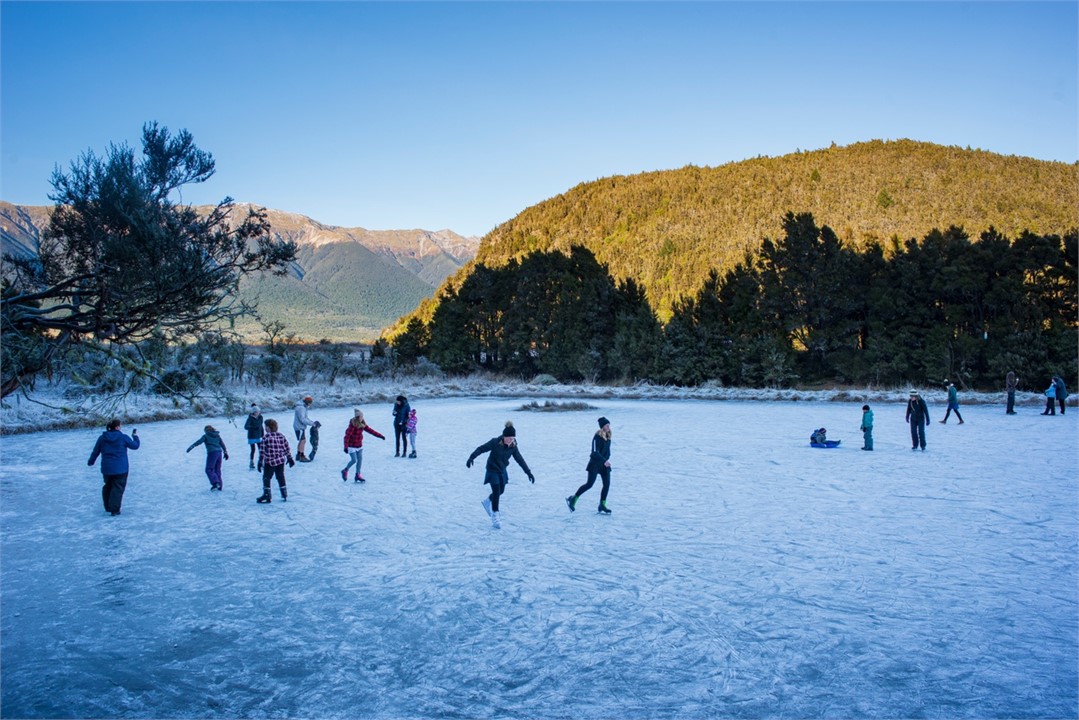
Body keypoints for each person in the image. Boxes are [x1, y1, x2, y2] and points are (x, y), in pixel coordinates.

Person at [466, 421, 535, 529]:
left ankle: (488, 501)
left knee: (501, 491)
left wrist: (528, 472)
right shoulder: (495, 442)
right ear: (503, 437)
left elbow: (520, 459)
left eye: (512, 438)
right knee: (497, 491)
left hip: (502, 470)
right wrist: (471, 457)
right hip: (492, 469)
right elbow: (481, 448)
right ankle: (495, 515)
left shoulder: (513, 446)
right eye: (508, 438)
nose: (510, 440)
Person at [87, 419, 140, 516]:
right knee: (118, 488)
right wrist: (135, 436)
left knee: (108, 486)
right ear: (117, 427)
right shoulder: (123, 437)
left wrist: (91, 461)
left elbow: (96, 451)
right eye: (120, 425)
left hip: (107, 469)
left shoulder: (102, 438)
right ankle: (114, 509)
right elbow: (135, 446)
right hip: (121, 469)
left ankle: (108, 506)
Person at [566, 416, 613, 514]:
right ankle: (573, 499)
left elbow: (607, 451)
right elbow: (594, 452)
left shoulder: (608, 437)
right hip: (595, 463)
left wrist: (606, 459)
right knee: (589, 484)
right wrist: (604, 460)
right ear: (602, 427)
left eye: (609, 425)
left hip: (604, 464)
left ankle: (602, 504)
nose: (608, 427)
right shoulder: (597, 437)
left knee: (607, 483)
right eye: (606, 425)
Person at [341, 409, 385, 483]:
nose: (362, 418)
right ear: (357, 417)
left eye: (362, 416)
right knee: (354, 460)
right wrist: (345, 447)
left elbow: (370, 430)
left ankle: (357, 475)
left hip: (359, 445)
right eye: (361, 416)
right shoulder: (352, 424)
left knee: (360, 460)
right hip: (351, 445)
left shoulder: (362, 423)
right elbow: (347, 436)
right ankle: (345, 470)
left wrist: (380, 436)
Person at [258, 418, 294, 503]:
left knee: (267, 477)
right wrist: (289, 457)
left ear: (268, 428)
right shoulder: (281, 436)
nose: (265, 428)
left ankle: (267, 494)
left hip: (270, 462)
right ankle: (284, 493)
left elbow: (262, 451)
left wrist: (260, 462)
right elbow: (286, 448)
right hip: (280, 461)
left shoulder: (265, 437)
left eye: (265, 426)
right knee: (280, 476)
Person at [186, 425, 229, 491]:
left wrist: (191, 446)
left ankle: (215, 483)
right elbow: (222, 444)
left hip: (212, 453)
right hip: (219, 452)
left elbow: (199, 442)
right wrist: (225, 452)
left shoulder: (206, 436)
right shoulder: (217, 435)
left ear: (206, 430)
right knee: (217, 469)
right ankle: (220, 486)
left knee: (209, 469)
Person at [293, 396, 316, 461]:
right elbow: (302, 419)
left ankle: (298, 455)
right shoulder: (301, 408)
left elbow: (305, 418)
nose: (310, 405)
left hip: (299, 427)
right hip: (299, 427)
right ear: (307, 403)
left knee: (301, 441)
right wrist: (312, 424)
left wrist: (312, 422)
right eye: (310, 403)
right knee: (303, 441)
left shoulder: (302, 407)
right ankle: (301, 456)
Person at [244, 404, 264, 470]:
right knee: (253, 450)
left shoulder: (260, 417)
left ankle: (261, 462)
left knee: (260, 449)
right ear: (254, 412)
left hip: (258, 436)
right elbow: (246, 427)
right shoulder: (250, 418)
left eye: (259, 412)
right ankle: (251, 462)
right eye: (257, 412)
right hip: (252, 436)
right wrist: (253, 427)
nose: (258, 413)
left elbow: (261, 426)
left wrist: (263, 434)